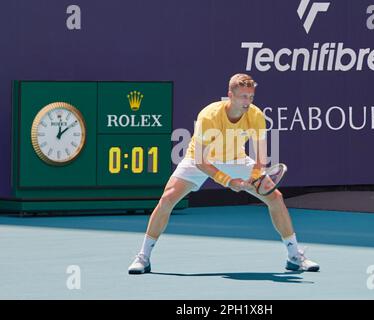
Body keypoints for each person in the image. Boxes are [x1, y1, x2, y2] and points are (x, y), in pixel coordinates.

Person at [128, 73, 319, 274]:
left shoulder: (255, 115)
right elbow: (201, 161)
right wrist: (228, 181)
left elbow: (261, 158)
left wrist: (254, 176)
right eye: (243, 97)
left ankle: (294, 256)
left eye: (251, 97)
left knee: (275, 198)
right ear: (230, 95)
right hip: (200, 160)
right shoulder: (209, 116)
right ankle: (144, 256)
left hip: (236, 159)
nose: (248, 102)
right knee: (167, 199)